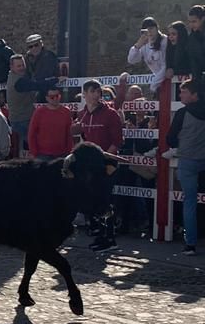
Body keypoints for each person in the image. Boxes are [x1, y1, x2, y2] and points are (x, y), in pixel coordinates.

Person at [166, 78, 205, 255]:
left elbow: (170, 139)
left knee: (189, 202)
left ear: (194, 94)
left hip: (188, 159)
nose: (180, 94)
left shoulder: (182, 113)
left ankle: (190, 244)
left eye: (184, 92)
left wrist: (181, 142)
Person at [72, 80, 123, 251]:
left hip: (107, 163)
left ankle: (110, 238)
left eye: (98, 91)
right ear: (84, 94)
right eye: (92, 91)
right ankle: (99, 234)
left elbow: (117, 141)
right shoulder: (81, 115)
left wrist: (105, 160)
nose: (96, 95)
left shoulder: (111, 114)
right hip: (89, 166)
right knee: (92, 201)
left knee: (105, 201)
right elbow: (82, 139)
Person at [28, 84, 75, 161]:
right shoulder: (39, 112)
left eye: (57, 96)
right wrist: (34, 153)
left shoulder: (66, 111)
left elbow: (69, 134)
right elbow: (32, 133)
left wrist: (69, 152)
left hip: (62, 154)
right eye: (52, 97)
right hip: (42, 154)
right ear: (47, 98)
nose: (55, 99)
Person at [127, 17, 168, 94]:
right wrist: (137, 46)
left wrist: (154, 84)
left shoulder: (164, 41)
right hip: (159, 80)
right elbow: (132, 60)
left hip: (168, 78)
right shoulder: (144, 44)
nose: (149, 32)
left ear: (157, 28)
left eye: (151, 28)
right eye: (146, 30)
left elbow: (165, 65)